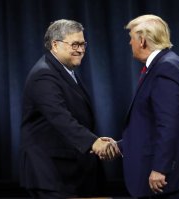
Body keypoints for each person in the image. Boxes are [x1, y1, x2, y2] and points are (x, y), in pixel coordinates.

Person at [111, 14, 179, 198]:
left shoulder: (166, 68)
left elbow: (169, 123)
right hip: (174, 178)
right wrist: (120, 146)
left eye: (131, 38)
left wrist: (160, 168)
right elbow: (152, 125)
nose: (129, 43)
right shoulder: (165, 64)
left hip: (173, 180)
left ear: (142, 41)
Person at [19, 19, 113, 199]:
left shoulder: (64, 71)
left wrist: (94, 140)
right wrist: (93, 143)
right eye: (75, 44)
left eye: (83, 44)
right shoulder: (44, 74)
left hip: (70, 173)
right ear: (55, 45)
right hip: (50, 174)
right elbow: (60, 117)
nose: (81, 49)